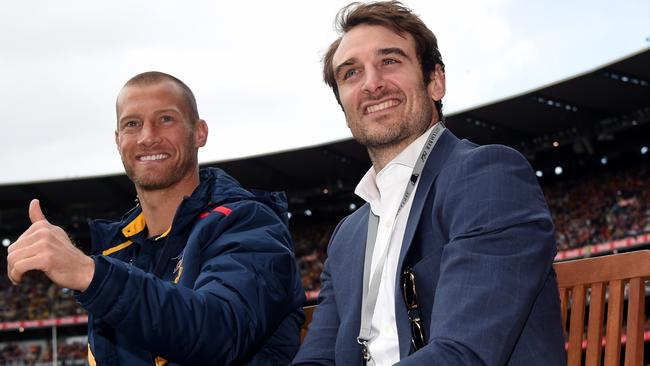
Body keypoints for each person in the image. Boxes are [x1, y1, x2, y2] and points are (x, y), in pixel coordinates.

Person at [293, 2, 566, 365]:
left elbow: (462, 355)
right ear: (344, 107)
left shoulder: (487, 176)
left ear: (435, 81)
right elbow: (319, 358)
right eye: (351, 73)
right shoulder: (347, 236)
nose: (371, 84)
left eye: (389, 61)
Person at [7, 71, 305, 365]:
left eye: (166, 119)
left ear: (199, 132)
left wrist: (90, 274)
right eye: (132, 124)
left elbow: (221, 332)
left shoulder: (249, 223)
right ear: (118, 139)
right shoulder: (118, 248)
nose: (148, 137)